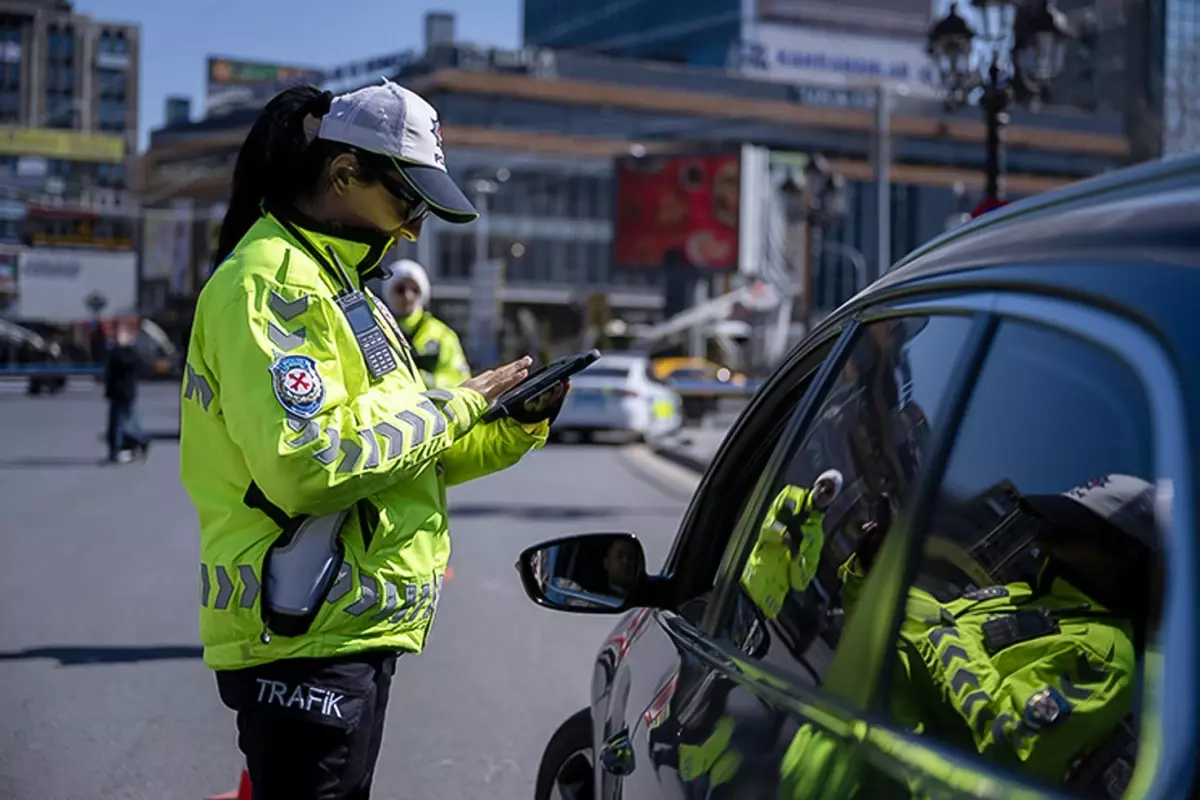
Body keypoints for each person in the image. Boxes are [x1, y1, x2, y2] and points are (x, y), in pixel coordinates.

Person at [179, 80, 569, 800]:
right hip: (301, 634)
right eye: (408, 200)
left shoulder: (345, 285)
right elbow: (311, 465)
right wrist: (455, 408)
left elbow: (404, 457)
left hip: (341, 633)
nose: (415, 228)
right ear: (343, 173)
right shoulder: (274, 284)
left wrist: (513, 423)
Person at [380, 258, 470, 389]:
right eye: (400, 290)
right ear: (389, 293)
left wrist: (426, 381)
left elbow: (461, 381)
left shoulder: (442, 335)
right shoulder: (376, 330)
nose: (408, 296)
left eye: (415, 290)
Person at [104, 323, 149, 463]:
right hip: (116, 393)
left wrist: (124, 346)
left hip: (125, 393)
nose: (118, 337)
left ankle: (118, 450)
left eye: (122, 334)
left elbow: (131, 364)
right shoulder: (114, 351)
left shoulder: (129, 353)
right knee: (122, 423)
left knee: (120, 423)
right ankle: (137, 443)